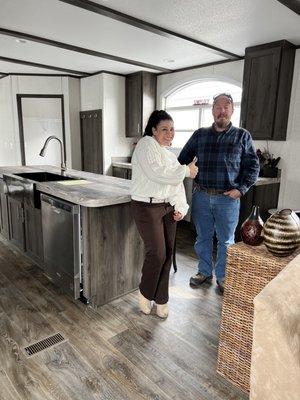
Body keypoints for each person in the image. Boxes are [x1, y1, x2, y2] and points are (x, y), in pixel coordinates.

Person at [178, 93, 259, 294]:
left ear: (232, 111)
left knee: (226, 240)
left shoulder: (242, 136)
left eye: (226, 107)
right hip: (202, 195)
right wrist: (187, 170)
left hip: (227, 199)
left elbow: (253, 166)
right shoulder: (200, 135)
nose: (222, 111)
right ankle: (204, 271)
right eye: (218, 107)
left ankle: (223, 276)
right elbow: (181, 159)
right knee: (203, 237)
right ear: (212, 110)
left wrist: (241, 189)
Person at [131, 110, 198, 318]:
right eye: (164, 129)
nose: (170, 133)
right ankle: (145, 293)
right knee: (157, 253)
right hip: (146, 207)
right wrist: (186, 171)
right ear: (153, 130)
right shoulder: (145, 145)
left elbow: (175, 184)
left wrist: (181, 207)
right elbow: (156, 173)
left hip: (168, 208)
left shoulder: (169, 156)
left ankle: (161, 300)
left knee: (168, 254)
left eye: (172, 130)